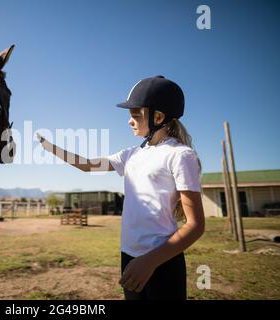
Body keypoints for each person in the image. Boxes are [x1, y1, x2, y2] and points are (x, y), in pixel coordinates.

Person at [37, 75, 205, 300]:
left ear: (158, 116)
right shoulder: (131, 154)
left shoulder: (181, 155)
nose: (130, 120)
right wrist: (51, 148)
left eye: (135, 114)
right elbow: (87, 165)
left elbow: (195, 226)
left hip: (162, 261)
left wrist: (150, 261)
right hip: (129, 256)